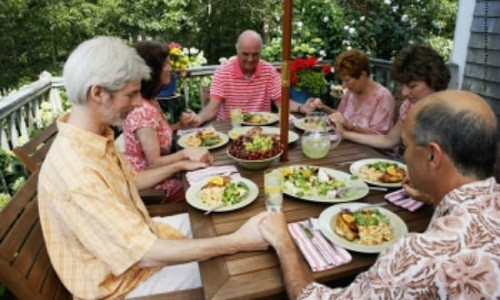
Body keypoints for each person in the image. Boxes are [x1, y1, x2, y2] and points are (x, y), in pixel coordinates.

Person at [37, 36, 269, 299]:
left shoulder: (92, 137)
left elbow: (131, 180)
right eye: (131, 94)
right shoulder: (77, 172)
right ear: (98, 93)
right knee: (245, 264)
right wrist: (238, 242)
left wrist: (181, 163)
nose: (138, 103)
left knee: (226, 218)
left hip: (143, 236)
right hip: (123, 282)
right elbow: (143, 254)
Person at [260, 90, 500, 299]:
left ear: (433, 155)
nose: (403, 157)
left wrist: (284, 241)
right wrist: (432, 196)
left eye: (405, 146)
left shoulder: (420, 256)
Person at [123, 41, 207, 203]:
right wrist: (184, 154)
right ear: (152, 71)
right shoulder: (142, 111)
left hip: (162, 175)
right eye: (165, 64)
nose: (170, 68)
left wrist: (181, 125)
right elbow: (154, 163)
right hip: (154, 188)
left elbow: (158, 135)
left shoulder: (150, 101)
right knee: (206, 186)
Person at [328, 44, 450, 149]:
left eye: (412, 86)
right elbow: (388, 140)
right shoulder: (409, 106)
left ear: (434, 80)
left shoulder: (449, 113)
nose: (404, 93)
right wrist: (344, 133)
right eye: (402, 85)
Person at [190, 30, 314, 126]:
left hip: (263, 127)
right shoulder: (222, 72)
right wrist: (199, 118)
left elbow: (281, 102)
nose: (250, 59)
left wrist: (301, 107)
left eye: (255, 54)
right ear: (237, 50)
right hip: (231, 128)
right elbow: (212, 108)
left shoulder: (269, 71)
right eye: (245, 54)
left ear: (261, 52)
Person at [306, 49, 395, 134]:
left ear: (363, 75)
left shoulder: (383, 97)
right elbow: (340, 116)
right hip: (349, 145)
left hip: (370, 150)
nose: (344, 86)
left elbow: (379, 137)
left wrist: (350, 126)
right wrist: (321, 107)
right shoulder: (351, 92)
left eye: (347, 80)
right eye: (342, 80)